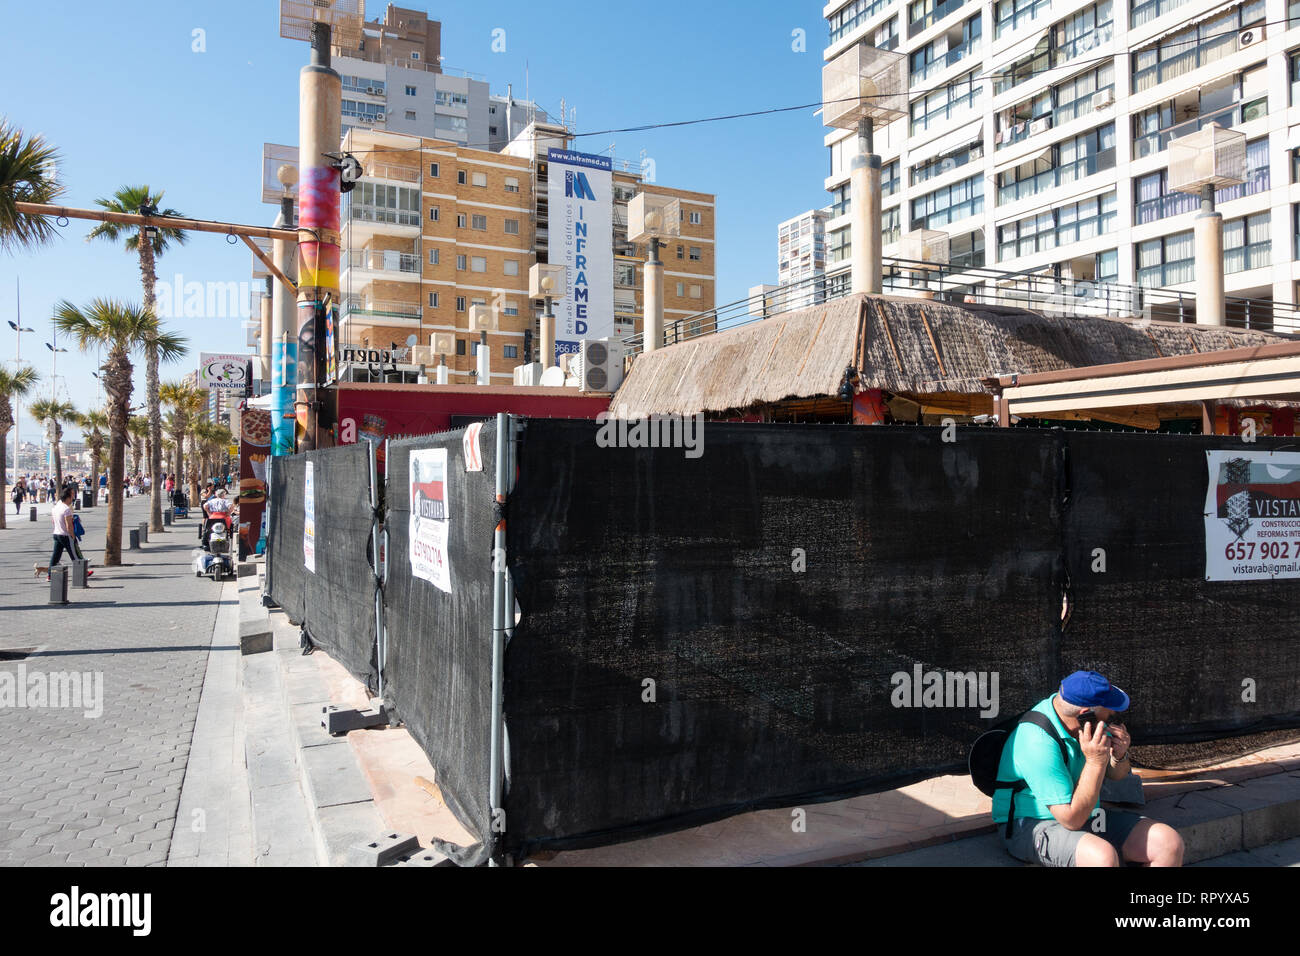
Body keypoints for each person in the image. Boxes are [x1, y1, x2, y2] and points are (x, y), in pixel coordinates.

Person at [993, 670, 1184, 867]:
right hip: (1030, 824)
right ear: (1086, 714)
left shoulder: (1080, 724)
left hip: (1088, 814)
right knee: (1103, 858)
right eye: (1109, 713)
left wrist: (1120, 755)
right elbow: (1072, 820)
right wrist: (1095, 761)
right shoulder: (1037, 741)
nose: (1114, 716)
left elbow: (1116, 775)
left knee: (1168, 843)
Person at [43, 486, 77, 580]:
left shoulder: (55, 508)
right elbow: (69, 525)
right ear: (68, 496)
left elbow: (53, 521)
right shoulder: (66, 509)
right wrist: (73, 536)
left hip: (56, 534)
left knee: (56, 556)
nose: (73, 497)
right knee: (75, 554)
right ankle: (82, 572)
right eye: (73, 495)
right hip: (65, 535)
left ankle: (50, 575)